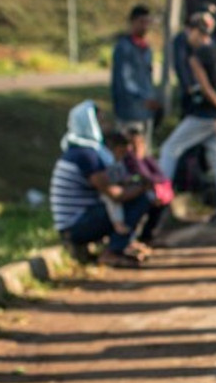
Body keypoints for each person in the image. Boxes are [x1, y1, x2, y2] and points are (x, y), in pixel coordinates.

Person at [49, 101, 150, 269]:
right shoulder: (86, 155)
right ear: (90, 125)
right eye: (101, 122)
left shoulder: (84, 151)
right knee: (138, 201)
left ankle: (122, 245)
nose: (106, 126)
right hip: (75, 226)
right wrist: (142, 187)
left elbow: (116, 180)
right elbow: (115, 193)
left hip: (81, 219)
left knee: (134, 198)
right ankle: (112, 251)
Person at [158, 13, 216, 223]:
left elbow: (206, 88)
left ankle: (160, 198)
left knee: (169, 150)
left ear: (195, 32)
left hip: (205, 115)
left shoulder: (197, 55)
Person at [110, 4, 160, 141]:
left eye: (147, 22)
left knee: (144, 152)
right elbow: (124, 80)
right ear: (133, 22)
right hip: (129, 110)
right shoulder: (124, 48)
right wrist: (143, 99)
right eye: (141, 22)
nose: (145, 26)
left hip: (146, 112)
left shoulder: (146, 48)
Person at [121, 125, 171, 252]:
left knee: (160, 201)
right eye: (132, 144)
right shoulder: (127, 159)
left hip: (148, 191)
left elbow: (161, 177)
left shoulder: (147, 159)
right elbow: (142, 176)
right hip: (131, 194)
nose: (135, 147)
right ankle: (130, 240)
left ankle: (147, 237)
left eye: (139, 143)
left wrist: (150, 182)